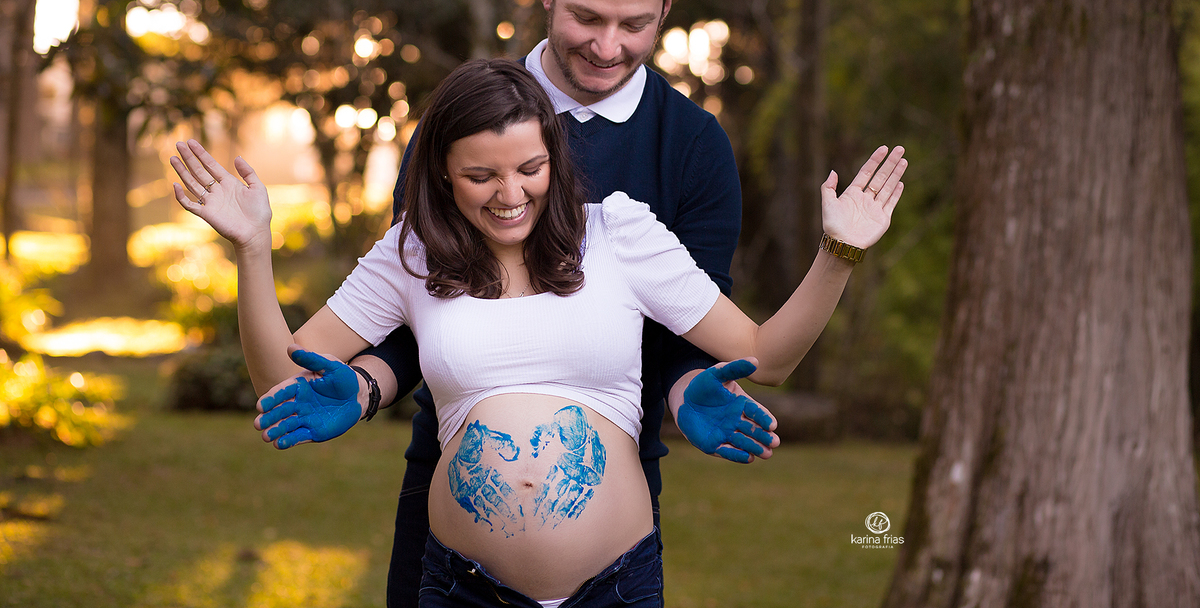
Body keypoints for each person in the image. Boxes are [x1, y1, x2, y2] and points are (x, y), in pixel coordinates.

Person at [170, 58, 905, 608]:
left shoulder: (619, 233)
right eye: (482, 176)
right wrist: (253, 249)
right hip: (466, 589)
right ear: (444, 177)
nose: (511, 194)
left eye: (530, 168)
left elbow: (767, 356)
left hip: (612, 588)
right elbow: (279, 379)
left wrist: (837, 254)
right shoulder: (412, 253)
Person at [257, 0, 782, 608]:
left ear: (668, 4)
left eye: (636, 23)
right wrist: (368, 385)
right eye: (587, 18)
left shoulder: (694, 146)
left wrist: (691, 388)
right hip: (450, 495)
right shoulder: (460, 124)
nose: (607, 46)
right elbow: (424, 305)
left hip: (606, 506)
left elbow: (696, 326)